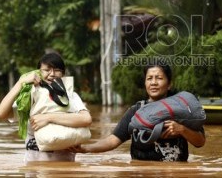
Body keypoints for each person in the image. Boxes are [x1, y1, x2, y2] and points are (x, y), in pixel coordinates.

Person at [70, 63, 206, 162]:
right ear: (145, 83)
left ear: (169, 84)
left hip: (176, 173)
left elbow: (200, 142)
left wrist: (182, 130)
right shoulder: (136, 111)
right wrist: (86, 149)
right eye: (149, 78)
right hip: (141, 172)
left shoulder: (182, 109)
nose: (153, 82)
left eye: (159, 78)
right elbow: (113, 141)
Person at [0, 52, 92, 162]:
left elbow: (86, 119)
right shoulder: (30, 95)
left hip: (65, 168)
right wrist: (20, 83)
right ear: (38, 72)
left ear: (63, 74)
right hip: (35, 166)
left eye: (57, 70)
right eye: (47, 70)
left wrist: (47, 118)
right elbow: (0, 114)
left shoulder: (71, 96)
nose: (52, 74)